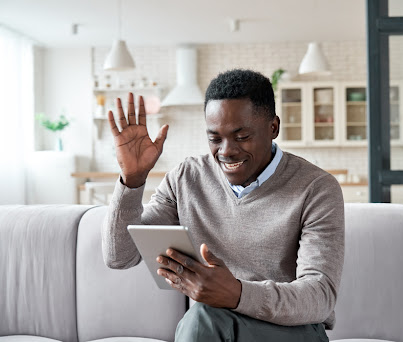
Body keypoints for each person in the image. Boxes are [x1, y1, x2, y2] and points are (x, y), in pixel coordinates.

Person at [102, 69, 344, 341]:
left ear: (273, 127)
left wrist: (237, 294)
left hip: (293, 331)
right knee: (204, 319)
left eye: (241, 137)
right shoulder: (186, 178)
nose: (226, 151)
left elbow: (319, 296)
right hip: (213, 329)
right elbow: (119, 256)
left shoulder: (316, 188)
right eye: (215, 138)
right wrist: (132, 181)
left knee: (202, 318)